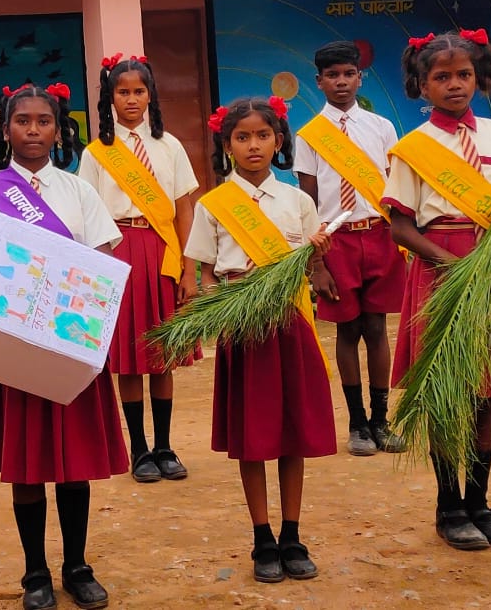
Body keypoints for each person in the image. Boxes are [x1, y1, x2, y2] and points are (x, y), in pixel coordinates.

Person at [0, 82, 127, 610]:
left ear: (59, 129)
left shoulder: (79, 191)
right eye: (22, 121)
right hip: (13, 348)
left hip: (68, 344)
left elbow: (103, 263)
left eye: (43, 121)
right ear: (5, 130)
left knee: (74, 464)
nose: (33, 130)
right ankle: (35, 574)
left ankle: (77, 566)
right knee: (26, 464)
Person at [381, 29, 491, 551]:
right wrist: (455, 266)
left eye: (464, 74)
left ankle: (480, 503)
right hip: (442, 271)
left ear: (479, 78)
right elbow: (401, 228)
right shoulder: (412, 149)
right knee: (445, 389)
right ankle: (449, 507)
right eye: (442, 77)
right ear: (423, 85)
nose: (454, 84)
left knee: (483, 390)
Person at [183, 96, 336, 584]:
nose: (253, 145)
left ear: (278, 141)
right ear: (226, 145)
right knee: (252, 437)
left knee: (292, 431)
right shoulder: (212, 205)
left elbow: (311, 266)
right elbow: (207, 272)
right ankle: (262, 536)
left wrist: (316, 258)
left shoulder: (298, 201)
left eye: (263, 135)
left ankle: (292, 533)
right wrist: (221, 308)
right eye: (242, 137)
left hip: (290, 323)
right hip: (242, 328)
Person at [78, 54, 200, 483]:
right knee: (129, 357)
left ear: (151, 95)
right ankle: (139, 449)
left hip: (163, 250)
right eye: (122, 92)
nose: (131, 99)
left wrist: (189, 269)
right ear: (109, 98)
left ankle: (165, 446)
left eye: (139, 91)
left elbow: (184, 209)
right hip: (117, 252)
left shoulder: (170, 147)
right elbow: (87, 215)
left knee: (161, 354)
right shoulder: (96, 153)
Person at [292, 41, 407, 456]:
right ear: (319, 81)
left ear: (360, 78)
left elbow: (394, 187)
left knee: (376, 328)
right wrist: (317, 263)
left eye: (348, 74)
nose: (340, 82)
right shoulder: (309, 136)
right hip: (335, 241)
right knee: (348, 329)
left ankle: (381, 420)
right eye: (332, 75)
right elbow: (307, 202)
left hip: (378, 234)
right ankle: (357, 423)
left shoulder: (381, 128)